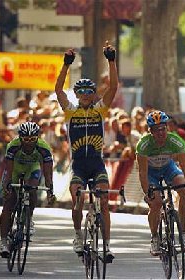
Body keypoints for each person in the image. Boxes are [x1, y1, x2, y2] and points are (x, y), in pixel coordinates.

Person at [55, 41, 118, 261]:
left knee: (104, 203)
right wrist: (66, 65)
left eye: (88, 92)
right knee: (78, 200)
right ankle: (78, 235)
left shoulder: (100, 110)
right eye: (80, 92)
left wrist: (111, 61)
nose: (84, 95)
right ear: (76, 94)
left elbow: (113, 88)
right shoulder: (70, 111)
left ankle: (107, 246)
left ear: (93, 95)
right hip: (79, 165)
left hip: (97, 163)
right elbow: (58, 90)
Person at [136, 110, 185, 256]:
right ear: (150, 131)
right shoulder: (143, 145)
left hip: (168, 168)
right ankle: (155, 238)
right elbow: (142, 173)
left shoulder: (174, 141)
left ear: (167, 128)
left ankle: (183, 234)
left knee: (183, 190)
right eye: (156, 130)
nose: (161, 132)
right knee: (156, 203)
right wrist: (148, 193)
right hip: (151, 172)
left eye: (163, 128)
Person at [0, 121, 55, 258]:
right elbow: (8, 169)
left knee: (32, 188)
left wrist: (50, 191)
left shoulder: (44, 148)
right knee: (9, 203)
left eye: (32, 139)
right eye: (25, 139)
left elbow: (48, 174)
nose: (29, 143)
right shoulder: (13, 146)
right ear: (20, 138)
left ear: (37, 138)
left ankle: (28, 218)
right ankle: (4, 242)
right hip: (15, 169)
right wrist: (7, 186)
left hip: (32, 168)